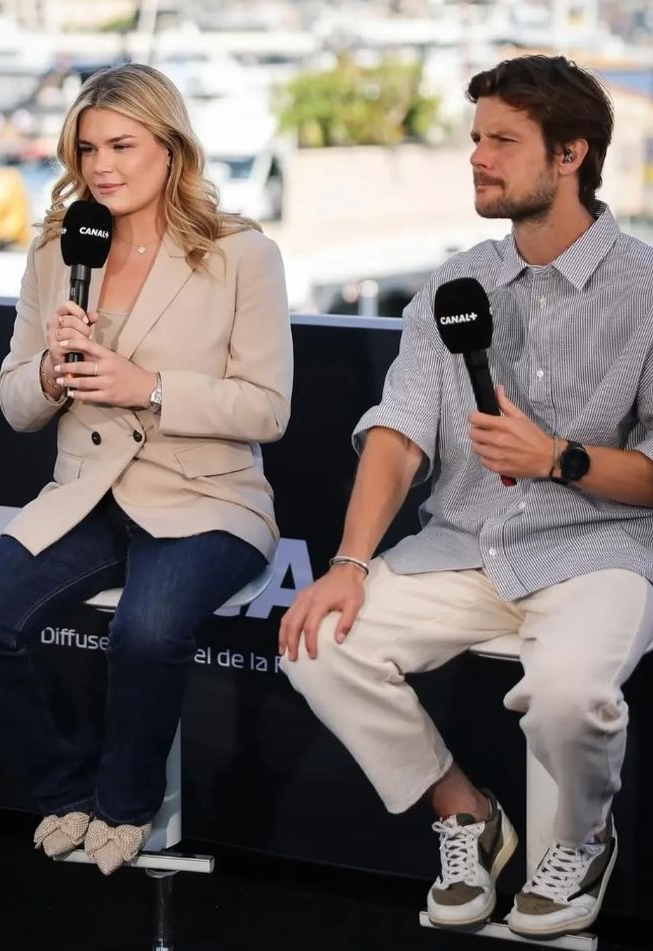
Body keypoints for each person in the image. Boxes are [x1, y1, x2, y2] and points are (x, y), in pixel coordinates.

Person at [279, 54, 653, 940]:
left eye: (502, 141)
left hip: (600, 548)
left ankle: (587, 838)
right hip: (466, 545)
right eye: (476, 138)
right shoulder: (455, 284)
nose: (478, 158)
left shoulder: (647, 290)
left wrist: (559, 457)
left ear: (571, 154)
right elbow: (398, 434)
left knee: (568, 692)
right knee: (314, 642)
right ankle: (464, 813)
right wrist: (348, 563)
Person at [0, 63, 292, 876]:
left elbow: (268, 408)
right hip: (88, 494)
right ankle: (65, 792)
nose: (101, 165)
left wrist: (152, 389)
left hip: (206, 495)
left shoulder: (242, 253)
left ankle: (126, 804)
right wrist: (53, 371)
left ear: (170, 148)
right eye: (87, 147)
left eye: (122, 145)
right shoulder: (58, 252)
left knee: (148, 630)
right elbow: (15, 404)